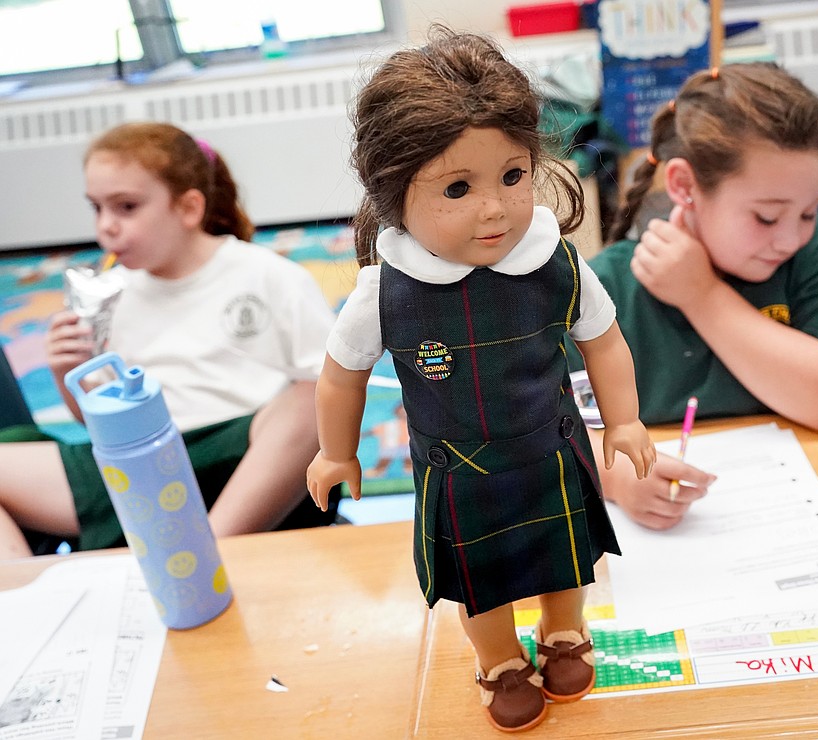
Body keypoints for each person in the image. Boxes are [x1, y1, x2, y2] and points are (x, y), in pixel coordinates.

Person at [305, 28, 655, 733]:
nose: (494, 208)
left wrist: (624, 420)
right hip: (459, 471)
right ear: (394, 192)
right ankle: (498, 661)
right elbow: (341, 377)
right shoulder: (387, 291)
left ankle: (563, 634)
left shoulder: (556, 263)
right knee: (482, 582)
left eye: (513, 176)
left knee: (567, 562)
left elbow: (605, 342)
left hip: (551, 450)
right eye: (458, 188)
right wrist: (335, 451)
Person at [0, 122, 336, 560]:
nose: (106, 227)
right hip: (143, 469)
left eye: (126, 207)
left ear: (189, 207)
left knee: (312, 398)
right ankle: (33, 603)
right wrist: (69, 374)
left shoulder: (265, 274)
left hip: (243, 465)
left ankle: (204, 556)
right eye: (96, 208)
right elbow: (102, 425)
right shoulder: (110, 294)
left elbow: (334, 393)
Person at [568, 63, 818, 531]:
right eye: (767, 218)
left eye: (809, 212)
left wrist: (703, 296)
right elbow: (539, 427)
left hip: (794, 517)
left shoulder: (815, 250)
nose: (790, 238)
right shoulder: (603, 287)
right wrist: (614, 476)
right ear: (685, 187)